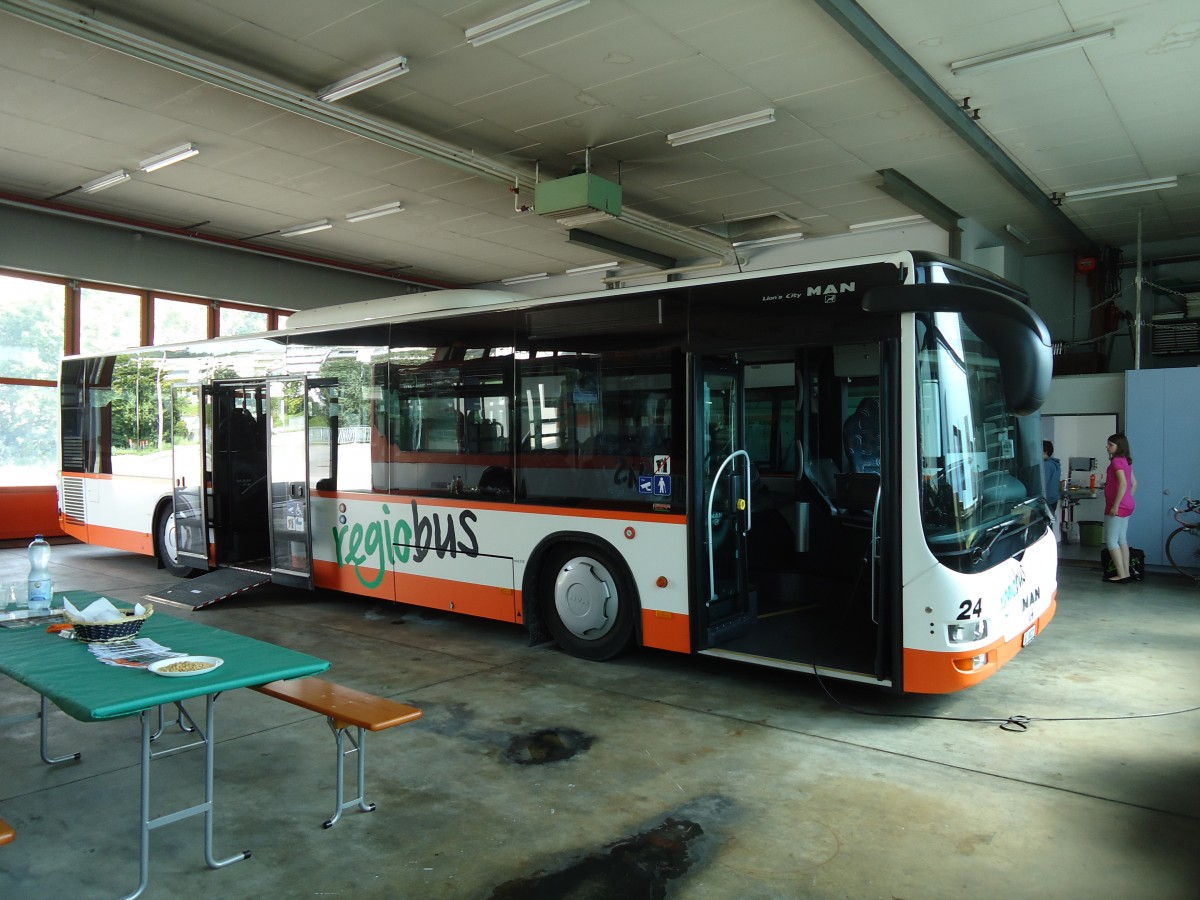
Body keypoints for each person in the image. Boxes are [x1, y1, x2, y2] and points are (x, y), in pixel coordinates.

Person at [1102, 432, 1137, 583]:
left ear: (1118, 446)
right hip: (1128, 504)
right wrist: (1128, 498)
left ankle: (1122, 574)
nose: (1107, 447)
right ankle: (1126, 572)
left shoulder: (1116, 462)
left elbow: (1123, 483)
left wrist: (1116, 505)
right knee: (1122, 539)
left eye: (1110, 444)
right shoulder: (1126, 461)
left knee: (1111, 541)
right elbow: (1133, 483)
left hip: (1118, 506)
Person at [1042, 440, 1061, 517]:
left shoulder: (1047, 465)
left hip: (1047, 500)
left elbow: (1042, 482)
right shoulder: (1054, 464)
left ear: (1045, 451)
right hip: (1053, 500)